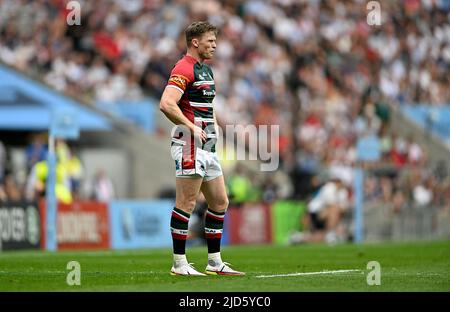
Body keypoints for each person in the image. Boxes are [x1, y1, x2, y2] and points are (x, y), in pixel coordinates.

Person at [159, 21, 244, 276]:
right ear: (195, 42)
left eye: (215, 41)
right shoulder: (183, 67)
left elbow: (207, 105)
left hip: (207, 145)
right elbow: (166, 103)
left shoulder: (205, 71)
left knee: (220, 201)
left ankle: (215, 262)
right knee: (186, 201)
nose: (215, 45)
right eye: (210, 41)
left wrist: (214, 125)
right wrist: (191, 127)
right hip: (188, 143)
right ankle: (179, 263)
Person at [290, 175, 350, 245]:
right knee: (335, 209)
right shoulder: (329, 187)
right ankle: (331, 233)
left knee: (321, 235)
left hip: (325, 216)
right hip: (315, 213)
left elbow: (344, 208)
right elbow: (332, 205)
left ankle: (300, 237)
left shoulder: (343, 191)